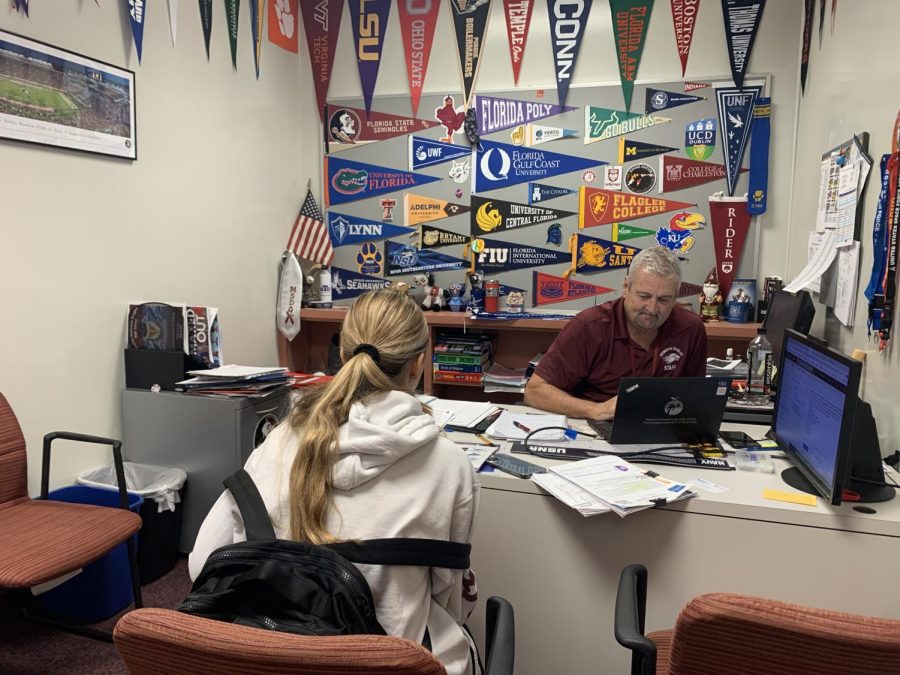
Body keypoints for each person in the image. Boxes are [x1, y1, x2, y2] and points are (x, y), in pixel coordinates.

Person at [189, 289, 481, 675]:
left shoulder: (278, 440)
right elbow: (451, 601)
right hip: (386, 663)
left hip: (269, 658)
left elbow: (200, 563)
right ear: (418, 365)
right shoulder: (451, 465)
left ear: (342, 355)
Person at [524, 246, 707, 420]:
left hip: (661, 427)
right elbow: (535, 392)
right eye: (643, 296)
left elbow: (695, 396)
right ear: (626, 287)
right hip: (595, 426)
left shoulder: (690, 328)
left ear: (676, 296)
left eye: (664, 300)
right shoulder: (588, 326)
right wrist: (596, 410)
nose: (652, 309)